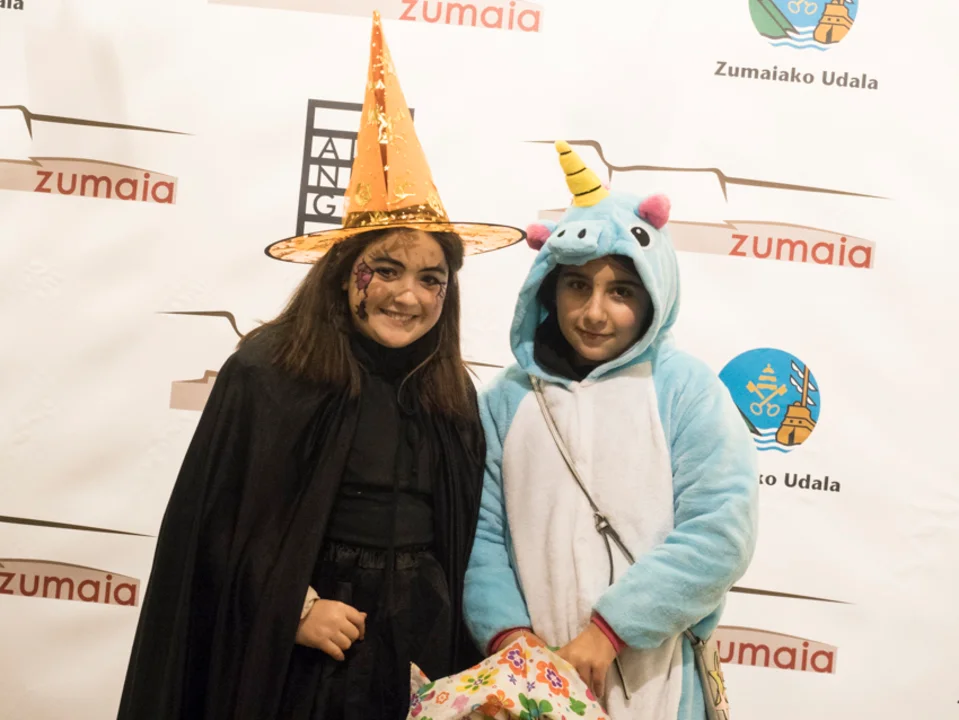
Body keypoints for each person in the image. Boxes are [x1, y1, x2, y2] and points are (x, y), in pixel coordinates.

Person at [117, 13, 524, 720]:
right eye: (386, 269)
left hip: (421, 647)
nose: (408, 295)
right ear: (344, 272)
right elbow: (218, 526)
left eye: (431, 279)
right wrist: (296, 607)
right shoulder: (270, 372)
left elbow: (465, 538)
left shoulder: (450, 392)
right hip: (306, 660)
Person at [462, 142, 759, 720]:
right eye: (577, 285)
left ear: (654, 294)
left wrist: (609, 630)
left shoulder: (685, 389)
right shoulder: (506, 400)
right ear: (548, 288)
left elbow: (721, 529)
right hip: (532, 685)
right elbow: (481, 534)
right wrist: (511, 640)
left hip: (656, 680)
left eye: (620, 291)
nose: (595, 312)